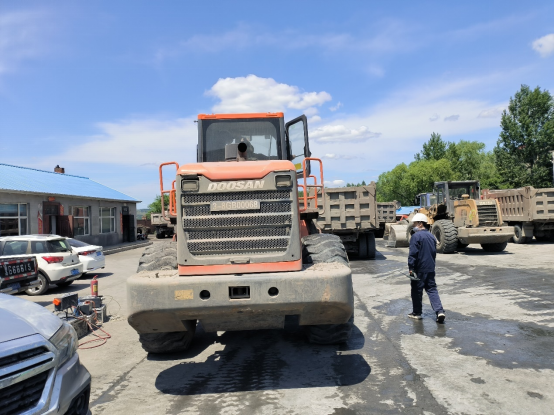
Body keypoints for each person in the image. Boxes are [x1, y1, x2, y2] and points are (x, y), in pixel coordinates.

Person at [407, 213, 446, 323]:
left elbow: (413, 254)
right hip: (430, 268)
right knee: (432, 289)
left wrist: (411, 268)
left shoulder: (416, 237)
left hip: (418, 269)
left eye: (414, 223)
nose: (413, 225)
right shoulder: (431, 236)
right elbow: (433, 253)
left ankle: (417, 313)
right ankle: (439, 311)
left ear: (420, 224)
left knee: (416, 290)